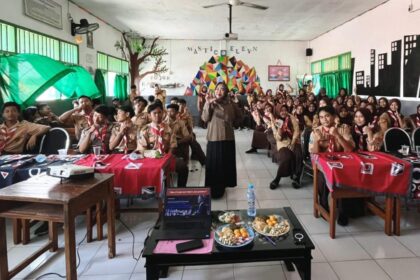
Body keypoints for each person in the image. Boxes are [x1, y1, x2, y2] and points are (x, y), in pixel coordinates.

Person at [309, 106, 354, 226]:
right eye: (321, 117)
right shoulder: (316, 131)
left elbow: (349, 150)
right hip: (322, 164)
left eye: (327, 116)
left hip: (341, 164)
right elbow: (314, 154)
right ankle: (323, 205)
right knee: (322, 178)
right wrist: (317, 141)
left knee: (346, 177)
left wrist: (338, 136)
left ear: (334, 117)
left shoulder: (343, 128)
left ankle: (343, 210)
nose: (324, 120)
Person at [202, 82, 243, 198]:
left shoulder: (230, 103)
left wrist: (236, 103)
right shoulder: (210, 102)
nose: (219, 91)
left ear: (226, 92)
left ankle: (223, 185)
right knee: (214, 164)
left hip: (227, 137)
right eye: (217, 89)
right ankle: (214, 190)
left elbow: (236, 117)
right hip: (214, 137)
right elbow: (204, 118)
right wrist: (207, 103)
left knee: (225, 163)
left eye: (222, 89)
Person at [137, 102, 188, 187]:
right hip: (150, 158)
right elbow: (142, 150)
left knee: (183, 167)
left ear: (163, 113)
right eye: (154, 113)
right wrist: (153, 155)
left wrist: (168, 156)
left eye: (159, 112)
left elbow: (172, 145)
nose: (157, 115)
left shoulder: (168, 128)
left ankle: (179, 191)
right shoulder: (145, 129)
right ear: (149, 115)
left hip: (166, 156)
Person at [269, 105, 302, 190]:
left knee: (299, 155)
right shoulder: (275, 121)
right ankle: (277, 178)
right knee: (286, 157)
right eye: (281, 110)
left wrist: (293, 143)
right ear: (277, 111)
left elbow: (296, 130)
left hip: (294, 141)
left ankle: (297, 178)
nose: (283, 112)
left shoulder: (291, 117)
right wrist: (280, 128)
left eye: (285, 110)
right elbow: (277, 138)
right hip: (282, 143)